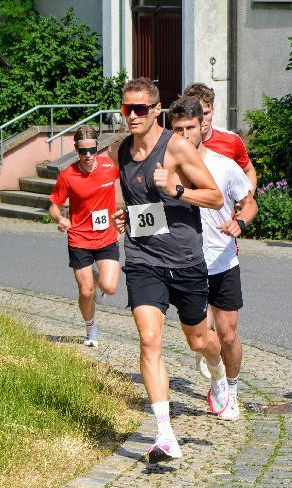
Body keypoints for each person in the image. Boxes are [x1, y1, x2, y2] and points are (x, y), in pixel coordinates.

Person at [109, 78, 227, 463]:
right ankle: (164, 435)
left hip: (185, 260)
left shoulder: (175, 147)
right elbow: (122, 186)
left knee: (198, 340)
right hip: (144, 259)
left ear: (156, 110)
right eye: (127, 108)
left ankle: (217, 372)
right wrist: (121, 212)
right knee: (148, 339)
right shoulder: (119, 150)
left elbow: (214, 197)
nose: (132, 116)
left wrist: (176, 191)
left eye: (140, 109)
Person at [167, 95, 258, 420]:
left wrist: (241, 221)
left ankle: (229, 389)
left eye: (190, 127)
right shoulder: (167, 170)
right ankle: (215, 367)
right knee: (199, 339)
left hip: (221, 261)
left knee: (229, 332)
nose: (184, 135)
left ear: (201, 127)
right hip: (185, 264)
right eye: (177, 129)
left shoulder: (223, 165)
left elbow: (249, 202)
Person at [48, 125, 121, 346]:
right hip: (79, 237)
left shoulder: (110, 167)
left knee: (109, 287)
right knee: (86, 290)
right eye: (83, 151)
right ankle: (91, 329)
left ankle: (97, 276)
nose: (88, 156)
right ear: (76, 150)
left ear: (98, 147)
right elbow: (53, 205)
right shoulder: (68, 175)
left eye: (92, 150)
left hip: (106, 235)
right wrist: (60, 219)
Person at [182, 82, 257, 190]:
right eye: (196, 113)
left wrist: (247, 201)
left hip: (221, 206)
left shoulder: (231, 140)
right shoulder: (176, 141)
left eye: (206, 113)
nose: (202, 119)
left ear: (213, 110)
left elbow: (249, 171)